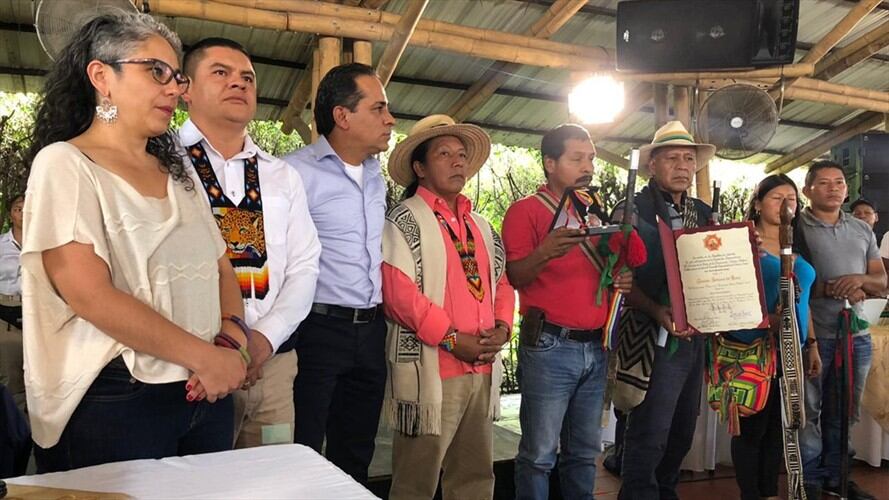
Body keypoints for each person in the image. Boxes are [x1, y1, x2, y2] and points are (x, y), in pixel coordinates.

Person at [22, 12, 247, 473]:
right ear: (102, 77)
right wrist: (207, 357)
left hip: (204, 389)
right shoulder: (66, 164)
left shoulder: (180, 175)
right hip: (116, 398)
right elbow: (90, 295)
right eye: (156, 71)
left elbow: (222, 268)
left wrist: (230, 343)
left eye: (177, 77)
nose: (174, 89)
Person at [180, 37, 321, 449]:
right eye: (220, 73)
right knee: (199, 477)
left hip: (273, 367)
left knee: (273, 473)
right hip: (193, 366)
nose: (238, 83)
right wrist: (223, 349)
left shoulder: (282, 175)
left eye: (248, 77)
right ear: (185, 88)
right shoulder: (162, 162)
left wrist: (263, 341)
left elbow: (305, 265)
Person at [382, 114, 514, 499]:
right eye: (444, 154)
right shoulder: (403, 219)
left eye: (461, 154)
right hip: (433, 369)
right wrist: (453, 339)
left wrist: (503, 328)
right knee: (415, 482)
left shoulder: (481, 225)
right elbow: (398, 294)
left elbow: (502, 282)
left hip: (482, 366)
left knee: (475, 478)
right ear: (420, 168)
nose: (457, 162)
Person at [502, 124, 633, 500]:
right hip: (550, 344)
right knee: (539, 455)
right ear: (550, 163)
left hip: (596, 346)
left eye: (590, 158)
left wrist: (620, 280)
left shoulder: (593, 213)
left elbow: (605, 274)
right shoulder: (525, 211)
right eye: (577, 159)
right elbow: (515, 276)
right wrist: (546, 251)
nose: (587, 166)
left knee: (583, 454)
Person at [283, 63, 395, 484]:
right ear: (343, 116)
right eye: (378, 108)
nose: (390, 119)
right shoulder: (294, 173)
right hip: (316, 329)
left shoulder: (375, 175)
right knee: (304, 449)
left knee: (357, 451)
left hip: (371, 329)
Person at [612, 121, 715, 500]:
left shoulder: (704, 213)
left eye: (688, 158)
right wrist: (657, 310)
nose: (682, 166)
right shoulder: (632, 210)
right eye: (672, 158)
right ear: (652, 165)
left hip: (693, 337)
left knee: (682, 431)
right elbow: (621, 278)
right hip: (648, 336)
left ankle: (666, 493)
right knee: (649, 431)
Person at [796, 161, 885, 500]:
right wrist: (830, 288)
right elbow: (791, 282)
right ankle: (809, 480)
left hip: (855, 336)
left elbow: (881, 281)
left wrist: (858, 280)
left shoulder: (861, 229)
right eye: (823, 182)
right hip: (812, 335)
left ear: (846, 190)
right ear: (807, 190)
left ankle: (838, 476)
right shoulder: (795, 227)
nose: (833, 188)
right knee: (809, 411)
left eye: (839, 182)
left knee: (844, 410)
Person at [728, 174, 820, 500]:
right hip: (754, 346)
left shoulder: (797, 244)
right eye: (777, 198)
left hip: (792, 348)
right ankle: (750, 494)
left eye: (791, 199)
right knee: (752, 427)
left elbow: (804, 300)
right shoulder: (743, 243)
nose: (785, 205)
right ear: (757, 204)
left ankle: (768, 492)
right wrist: (768, 320)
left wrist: (812, 345)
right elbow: (727, 298)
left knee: (779, 429)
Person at [0, 194, 24, 411]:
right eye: (18, 209)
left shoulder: (46, 245)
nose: (23, 213)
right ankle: (15, 425)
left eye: (27, 208)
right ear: (11, 215)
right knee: (11, 374)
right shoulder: (1, 245)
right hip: (5, 313)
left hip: (38, 311)